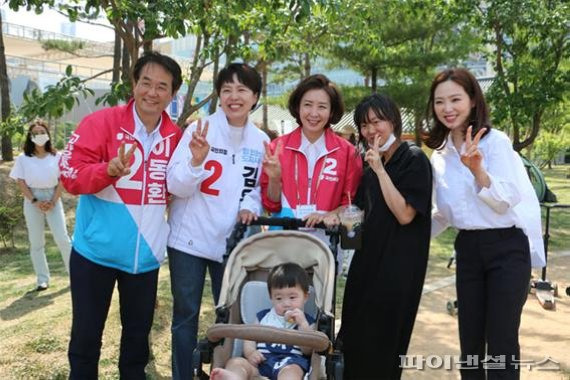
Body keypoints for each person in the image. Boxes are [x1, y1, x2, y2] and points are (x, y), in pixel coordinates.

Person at [59, 51, 183, 379]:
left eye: (162, 86)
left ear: (172, 94)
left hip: (144, 259)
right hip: (94, 254)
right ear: (134, 84)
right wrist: (106, 170)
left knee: (136, 348)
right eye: (146, 83)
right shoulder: (101, 122)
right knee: (85, 342)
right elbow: (69, 176)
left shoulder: (177, 139)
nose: (152, 93)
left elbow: (178, 189)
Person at [425, 68, 544, 379]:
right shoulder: (439, 154)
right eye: (440, 102)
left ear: (473, 101)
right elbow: (443, 213)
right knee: (471, 342)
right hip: (468, 249)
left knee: (502, 341)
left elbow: (507, 200)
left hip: (507, 248)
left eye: (455, 99)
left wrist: (478, 170)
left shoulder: (496, 143)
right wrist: (404, 237)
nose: (447, 109)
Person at [166, 62, 269, 380]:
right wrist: (196, 160)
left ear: (255, 97)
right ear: (219, 95)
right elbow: (175, 185)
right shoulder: (199, 130)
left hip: (232, 244)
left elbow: (256, 190)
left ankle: (224, 374)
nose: (233, 97)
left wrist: (250, 205)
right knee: (186, 316)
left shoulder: (261, 141)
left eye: (242, 90)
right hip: (189, 242)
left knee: (230, 318)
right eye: (226, 90)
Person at [337, 94, 432, 379]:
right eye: (364, 125)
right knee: (353, 336)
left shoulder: (413, 159)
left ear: (393, 121)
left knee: (383, 343)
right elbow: (362, 216)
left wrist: (379, 170)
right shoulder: (370, 167)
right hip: (366, 263)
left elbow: (404, 214)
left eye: (377, 121)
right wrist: (337, 216)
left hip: (398, 269)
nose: (370, 130)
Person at [261, 74, 362, 232]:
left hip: (326, 247)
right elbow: (270, 205)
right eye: (307, 105)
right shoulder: (277, 148)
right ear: (298, 106)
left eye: (322, 107)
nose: (313, 113)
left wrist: (328, 215)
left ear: (331, 111)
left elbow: (351, 205)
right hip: (283, 244)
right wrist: (274, 179)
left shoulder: (348, 153)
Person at [210, 263, 315, 380]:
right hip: (261, 363)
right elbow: (249, 337)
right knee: (236, 362)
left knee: (292, 372)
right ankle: (234, 377)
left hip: (290, 362)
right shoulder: (263, 317)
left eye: (292, 297)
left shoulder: (308, 322)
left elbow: (308, 351)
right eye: (279, 298)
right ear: (271, 297)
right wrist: (250, 353)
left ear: (305, 296)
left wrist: (302, 324)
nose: (286, 304)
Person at [9, 119, 71, 291]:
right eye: (35, 133)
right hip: (32, 199)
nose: (39, 136)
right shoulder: (23, 158)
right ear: (30, 137)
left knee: (62, 238)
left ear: (48, 135)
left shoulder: (57, 156)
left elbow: (62, 180)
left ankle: (74, 275)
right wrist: (34, 201)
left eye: (42, 132)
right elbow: (20, 182)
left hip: (53, 196)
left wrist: (53, 201)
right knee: (36, 242)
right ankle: (42, 279)